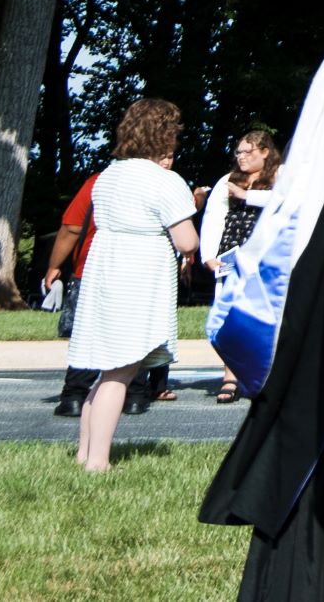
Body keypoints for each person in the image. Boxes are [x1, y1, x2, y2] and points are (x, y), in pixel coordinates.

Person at [63, 98, 200, 470]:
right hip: (139, 273)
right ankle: (98, 461)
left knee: (108, 369)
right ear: (164, 135)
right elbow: (186, 241)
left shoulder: (109, 174)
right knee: (121, 371)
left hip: (106, 267)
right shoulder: (165, 180)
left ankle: (83, 453)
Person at [201, 128, 286, 398]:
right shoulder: (227, 181)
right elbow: (214, 218)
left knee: (273, 314)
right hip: (232, 254)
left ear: (265, 152)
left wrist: (247, 196)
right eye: (238, 152)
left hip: (269, 256)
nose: (241, 157)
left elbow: (288, 200)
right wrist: (209, 256)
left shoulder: (281, 176)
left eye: (247, 151)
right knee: (231, 315)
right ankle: (230, 376)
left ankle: (272, 375)